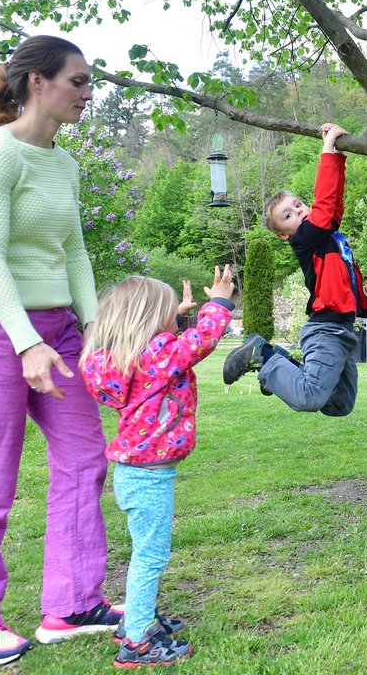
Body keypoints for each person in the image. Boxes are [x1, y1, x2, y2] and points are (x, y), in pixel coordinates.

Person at [0, 35, 121, 667]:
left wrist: (98, 329)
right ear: (37, 83)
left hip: (58, 330)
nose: (87, 93)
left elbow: (73, 251)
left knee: (84, 457)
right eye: (78, 81)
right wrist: (26, 344)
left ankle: (72, 603)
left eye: (89, 82)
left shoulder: (63, 164)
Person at [80, 267, 235, 668]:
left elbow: (172, 345)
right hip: (149, 478)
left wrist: (175, 313)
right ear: (151, 320)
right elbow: (200, 341)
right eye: (168, 313)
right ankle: (137, 641)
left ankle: (137, 619)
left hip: (135, 474)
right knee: (150, 556)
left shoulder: (128, 357)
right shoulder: (158, 356)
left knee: (145, 552)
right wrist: (218, 301)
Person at [222, 122, 367, 416]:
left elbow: (334, 202)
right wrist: (326, 149)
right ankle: (261, 354)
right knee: (308, 397)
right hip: (326, 329)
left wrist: (337, 153)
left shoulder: (324, 233)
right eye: (288, 215)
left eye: (299, 205)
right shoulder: (305, 238)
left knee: (339, 404)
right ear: (283, 234)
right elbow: (326, 203)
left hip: (342, 330)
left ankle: (281, 366)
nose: (300, 211)